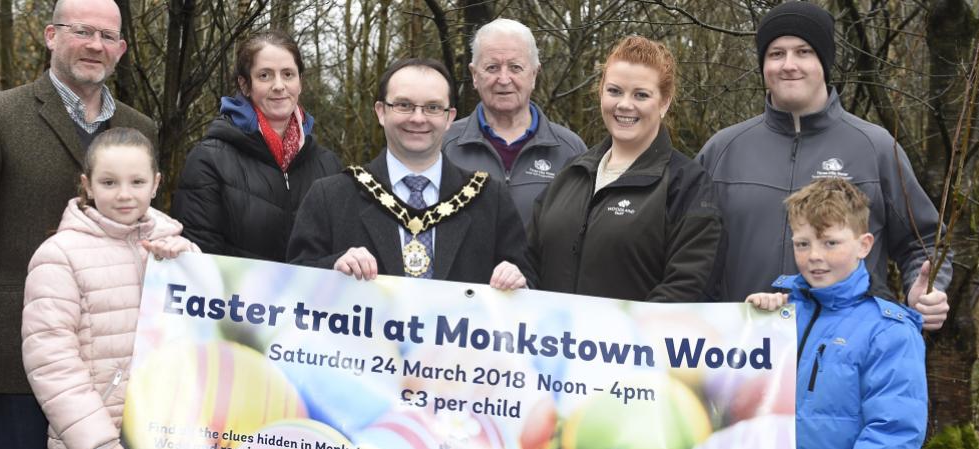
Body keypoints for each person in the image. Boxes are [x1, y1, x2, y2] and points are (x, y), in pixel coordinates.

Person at [0, 0, 155, 447]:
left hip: (116, 356)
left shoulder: (138, 127)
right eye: (83, 31)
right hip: (15, 354)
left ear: (121, 49)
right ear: (51, 35)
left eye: (107, 37)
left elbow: (145, 226)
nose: (95, 45)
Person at [697, 1, 951, 329]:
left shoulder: (876, 148)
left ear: (824, 61)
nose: (789, 65)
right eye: (776, 54)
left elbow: (925, 239)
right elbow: (685, 248)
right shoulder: (722, 150)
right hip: (741, 352)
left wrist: (927, 289)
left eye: (804, 52)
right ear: (763, 64)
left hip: (845, 350)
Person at [288, 59, 532, 289]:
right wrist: (332, 269)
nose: (418, 118)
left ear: (449, 118)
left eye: (433, 107)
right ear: (381, 111)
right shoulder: (331, 197)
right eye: (404, 105)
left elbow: (530, 284)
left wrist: (518, 282)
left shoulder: (490, 199)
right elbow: (292, 285)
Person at [22, 128, 197, 449]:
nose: (124, 194)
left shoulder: (172, 248)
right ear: (87, 185)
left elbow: (204, 331)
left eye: (137, 182)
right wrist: (99, 443)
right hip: (98, 436)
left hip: (168, 433)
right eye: (109, 182)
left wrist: (187, 261)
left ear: (156, 184)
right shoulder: (58, 256)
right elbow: (51, 364)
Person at [526, 36, 721, 302]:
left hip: (635, 343)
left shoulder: (688, 185)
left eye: (641, 94)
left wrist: (622, 339)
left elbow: (688, 285)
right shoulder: (571, 173)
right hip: (553, 339)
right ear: (601, 93)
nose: (625, 105)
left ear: (664, 102)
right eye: (615, 91)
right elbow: (528, 259)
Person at [746, 177, 927, 449]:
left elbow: (893, 432)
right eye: (802, 244)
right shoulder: (781, 313)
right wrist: (748, 322)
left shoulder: (890, 332)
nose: (814, 255)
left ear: (864, 245)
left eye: (830, 243)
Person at [172, 30, 342, 260]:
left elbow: (338, 249)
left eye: (288, 74)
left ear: (300, 82)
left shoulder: (329, 165)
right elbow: (198, 259)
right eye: (265, 75)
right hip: (234, 296)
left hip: (310, 296)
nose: (279, 85)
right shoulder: (208, 160)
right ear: (245, 85)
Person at [442, 18, 586, 224]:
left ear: (534, 74)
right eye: (492, 68)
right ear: (474, 75)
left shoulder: (570, 150)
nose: (503, 79)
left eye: (515, 67)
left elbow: (579, 232)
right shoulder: (443, 144)